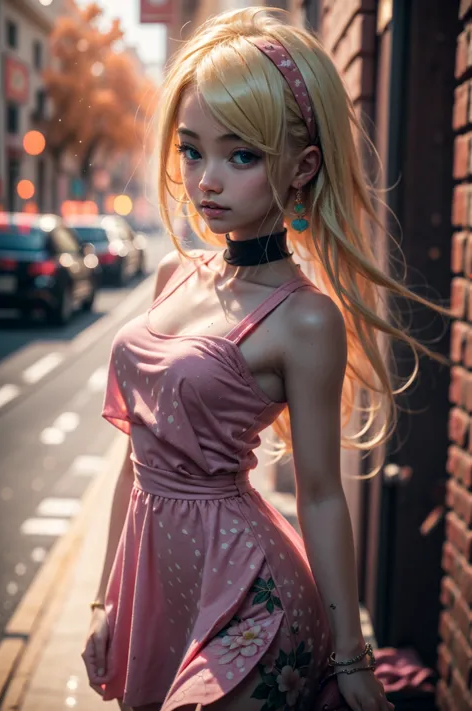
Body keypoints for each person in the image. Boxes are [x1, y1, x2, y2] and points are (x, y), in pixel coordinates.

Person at [81, 7, 447, 711]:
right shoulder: (172, 275)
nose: (206, 180)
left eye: (241, 155)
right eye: (191, 150)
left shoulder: (306, 319)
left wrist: (352, 659)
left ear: (301, 166)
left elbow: (320, 494)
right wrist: (105, 598)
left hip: (255, 602)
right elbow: (135, 462)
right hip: (158, 589)